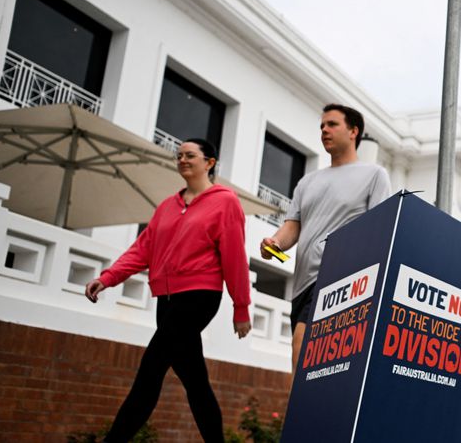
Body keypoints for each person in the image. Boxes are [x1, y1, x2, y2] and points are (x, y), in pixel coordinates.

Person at [85, 138, 251, 443]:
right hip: (167, 300)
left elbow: (235, 257)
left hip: (200, 296)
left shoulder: (225, 202)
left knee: (150, 371)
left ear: (209, 163)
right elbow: (142, 250)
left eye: (190, 155)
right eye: (179, 156)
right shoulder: (166, 207)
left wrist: (241, 307)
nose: (183, 160)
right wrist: (108, 278)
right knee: (195, 381)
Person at [259, 104, 391, 369]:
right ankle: (308, 410)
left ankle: (298, 412)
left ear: (354, 131)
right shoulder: (307, 182)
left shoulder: (374, 175)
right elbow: (292, 227)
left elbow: (382, 231)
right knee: (311, 363)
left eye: (332, 124)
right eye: (322, 126)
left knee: (301, 346)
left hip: (340, 278)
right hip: (302, 284)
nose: (324, 130)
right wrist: (274, 242)